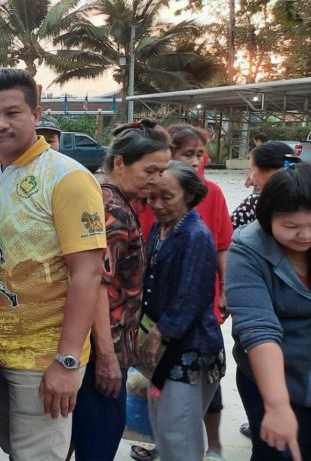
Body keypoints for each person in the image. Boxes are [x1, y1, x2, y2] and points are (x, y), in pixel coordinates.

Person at [0, 68, 106, 460]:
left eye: (12, 113)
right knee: (13, 447)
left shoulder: (67, 178)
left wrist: (66, 361)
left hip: (44, 357)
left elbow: (88, 274)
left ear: (35, 114)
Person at [69, 120, 172, 460]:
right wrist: (107, 358)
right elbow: (97, 284)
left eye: (162, 171)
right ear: (119, 163)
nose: (157, 179)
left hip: (110, 346)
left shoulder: (119, 201)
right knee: (98, 441)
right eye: (150, 170)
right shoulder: (112, 210)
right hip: (101, 351)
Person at [132, 123, 232, 460]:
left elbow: (190, 297)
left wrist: (158, 334)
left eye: (167, 197)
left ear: (188, 196)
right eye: (152, 197)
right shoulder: (162, 229)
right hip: (167, 348)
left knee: (179, 435)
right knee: (165, 428)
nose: (157, 204)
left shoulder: (195, 236)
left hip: (188, 350)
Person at [228, 162, 311, 461]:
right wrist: (277, 405)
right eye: (290, 226)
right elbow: (258, 328)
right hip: (272, 378)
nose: (305, 235)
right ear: (267, 217)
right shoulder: (248, 248)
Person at [232, 142, 301, 229]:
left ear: (269, 170)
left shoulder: (257, 202)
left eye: (252, 170)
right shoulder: (305, 196)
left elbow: (229, 230)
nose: (251, 177)